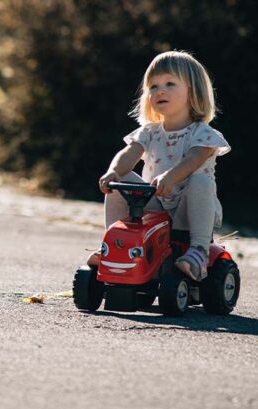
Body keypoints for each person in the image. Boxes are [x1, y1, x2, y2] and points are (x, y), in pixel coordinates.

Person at [87, 50, 230, 281]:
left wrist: (171, 177)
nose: (160, 90)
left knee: (200, 180)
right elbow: (129, 153)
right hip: (153, 205)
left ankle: (199, 251)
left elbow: (194, 160)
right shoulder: (150, 132)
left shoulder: (203, 134)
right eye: (153, 86)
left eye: (170, 83)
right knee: (119, 182)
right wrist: (113, 171)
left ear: (192, 90)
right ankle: (115, 243)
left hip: (188, 210)